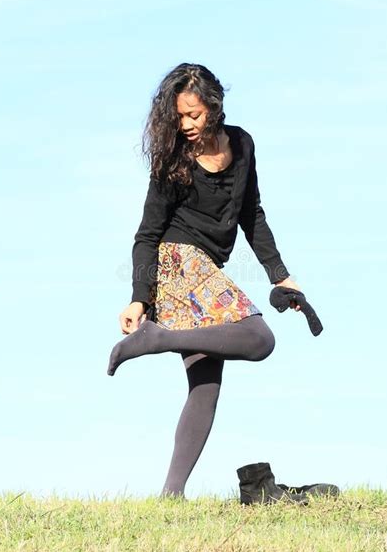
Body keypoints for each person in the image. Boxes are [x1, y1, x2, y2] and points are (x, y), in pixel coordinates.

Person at [107, 63, 302, 498]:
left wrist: (282, 277)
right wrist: (140, 299)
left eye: (193, 115)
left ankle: (170, 496)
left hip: (207, 270)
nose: (187, 125)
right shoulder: (173, 160)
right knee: (258, 338)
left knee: (205, 386)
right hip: (177, 263)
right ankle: (157, 337)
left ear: (214, 106)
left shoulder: (243, 145)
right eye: (179, 117)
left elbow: (252, 215)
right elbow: (147, 235)